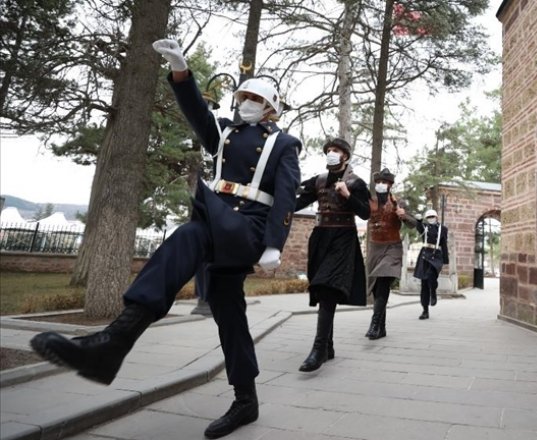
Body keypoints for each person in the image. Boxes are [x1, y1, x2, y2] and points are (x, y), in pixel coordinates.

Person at [29, 39, 302, 439]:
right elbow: (196, 112)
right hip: (218, 225)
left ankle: (114, 341)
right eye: (243, 96)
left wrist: (275, 243)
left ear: (270, 107)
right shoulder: (224, 132)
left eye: (255, 98)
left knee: (190, 234)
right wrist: (181, 71)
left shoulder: (284, 144)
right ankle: (246, 400)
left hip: (247, 227)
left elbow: (286, 196)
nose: (246, 102)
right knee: (230, 314)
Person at [294, 138, 370, 372]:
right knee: (321, 289)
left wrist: (348, 195)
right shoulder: (319, 180)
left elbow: (366, 212)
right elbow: (298, 201)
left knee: (327, 286)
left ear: (345, 155)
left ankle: (318, 350)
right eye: (328, 150)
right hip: (320, 238)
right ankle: (328, 346)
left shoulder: (356, 182)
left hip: (343, 238)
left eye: (336, 150)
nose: (331, 153)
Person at [363, 168, 415, 339]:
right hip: (374, 248)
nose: (381, 184)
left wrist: (404, 215)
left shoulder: (398, 202)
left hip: (392, 247)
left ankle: (374, 324)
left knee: (383, 282)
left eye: (384, 182)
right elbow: (360, 212)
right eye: (378, 182)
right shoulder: (369, 202)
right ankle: (382, 328)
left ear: (390, 185)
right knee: (376, 289)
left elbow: (413, 223)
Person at [412, 209, 448, 320]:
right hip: (425, 255)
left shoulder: (443, 229)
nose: (430, 218)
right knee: (424, 284)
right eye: (428, 217)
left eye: (432, 216)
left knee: (431, 276)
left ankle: (433, 291)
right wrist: (418, 221)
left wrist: (445, 260)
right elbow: (419, 228)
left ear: (436, 217)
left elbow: (444, 244)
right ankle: (425, 310)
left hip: (436, 256)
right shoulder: (424, 227)